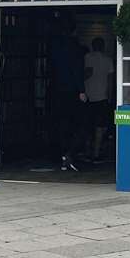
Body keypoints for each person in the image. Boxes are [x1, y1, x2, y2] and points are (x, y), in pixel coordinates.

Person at [49, 16, 86, 171]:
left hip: (57, 90)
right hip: (72, 91)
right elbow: (77, 70)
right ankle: (70, 154)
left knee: (61, 124)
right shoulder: (75, 47)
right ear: (74, 31)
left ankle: (64, 155)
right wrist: (82, 90)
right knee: (79, 125)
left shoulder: (55, 46)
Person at [82, 37, 116, 160]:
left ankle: (87, 151)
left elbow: (85, 74)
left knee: (87, 125)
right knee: (99, 126)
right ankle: (96, 153)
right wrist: (110, 97)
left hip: (87, 96)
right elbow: (110, 80)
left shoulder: (87, 58)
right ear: (103, 47)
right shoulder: (108, 60)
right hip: (102, 97)